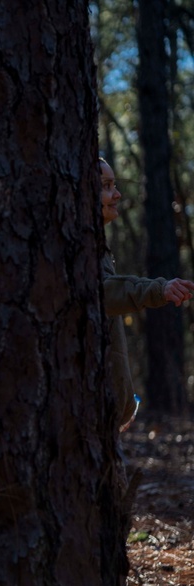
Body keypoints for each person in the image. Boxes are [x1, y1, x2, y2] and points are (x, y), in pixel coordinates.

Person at [100, 157, 194, 431]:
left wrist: (124, 403)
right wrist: (158, 289)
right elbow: (102, 292)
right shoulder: (77, 247)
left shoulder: (95, 242)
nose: (117, 194)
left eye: (115, 185)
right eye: (106, 186)